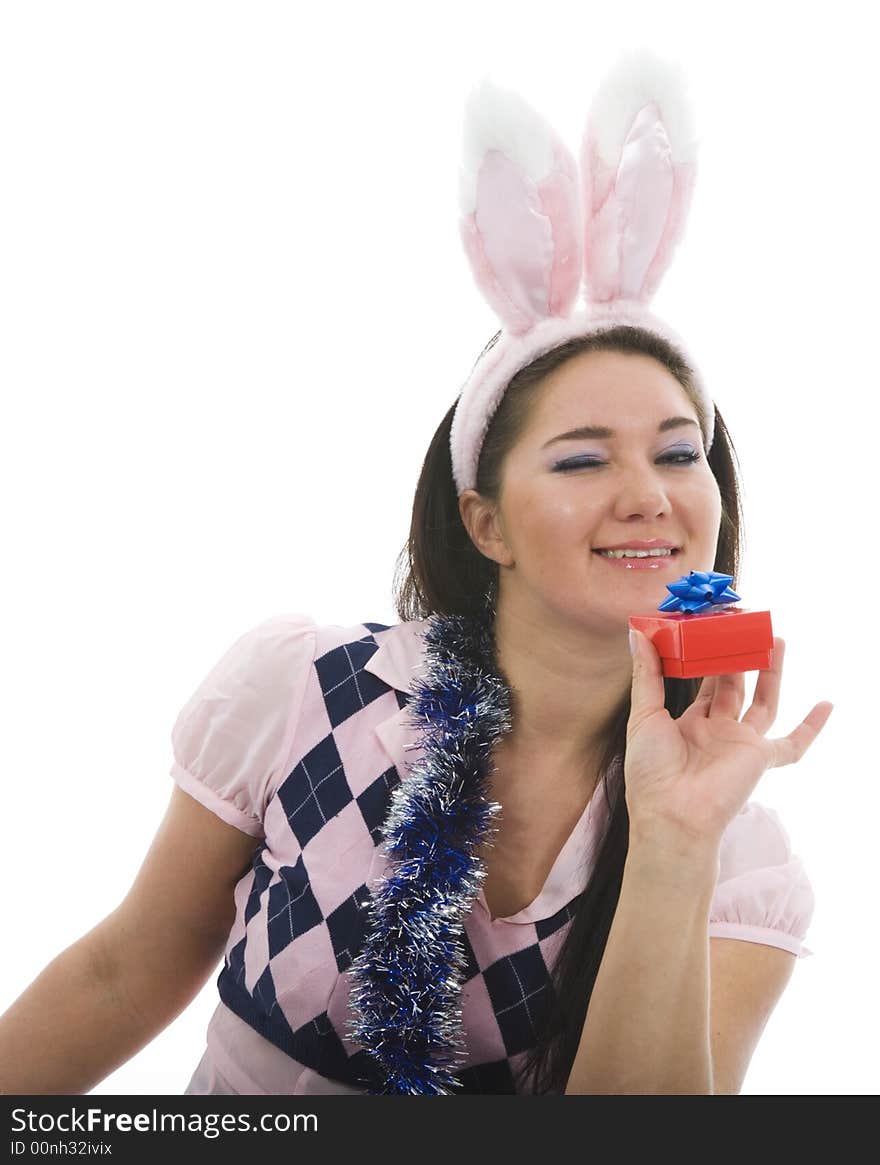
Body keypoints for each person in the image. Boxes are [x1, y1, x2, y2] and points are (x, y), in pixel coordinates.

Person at [0, 52, 831, 1097]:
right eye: (581, 458)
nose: (648, 492)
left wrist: (673, 839)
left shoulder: (739, 857)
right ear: (485, 522)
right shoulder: (305, 689)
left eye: (677, 452)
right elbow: (122, 972)